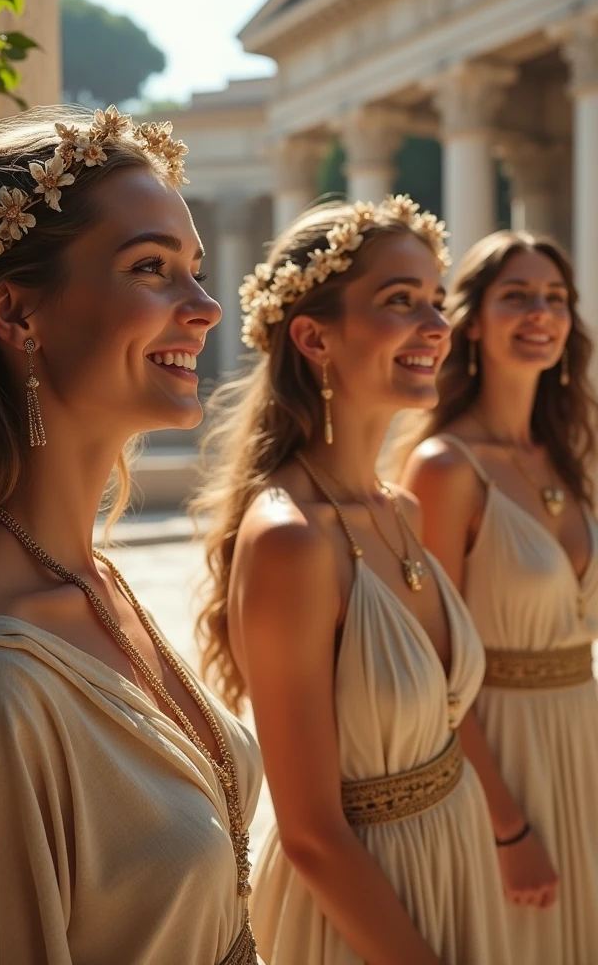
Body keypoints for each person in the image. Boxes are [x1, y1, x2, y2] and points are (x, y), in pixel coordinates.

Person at [0, 106, 262, 965]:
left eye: (195, 270)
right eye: (153, 268)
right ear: (16, 314)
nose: (208, 307)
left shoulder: (88, 576)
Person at [191, 196, 511, 965]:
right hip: (362, 919)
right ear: (313, 337)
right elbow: (309, 835)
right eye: (401, 302)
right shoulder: (290, 541)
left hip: (458, 867)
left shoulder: (400, 508)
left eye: (436, 301)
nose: (437, 326)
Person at [401, 229, 598, 963]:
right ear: (472, 320)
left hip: (582, 737)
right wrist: (506, 826)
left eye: (555, 298)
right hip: (504, 758)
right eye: (516, 296)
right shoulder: (445, 467)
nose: (540, 312)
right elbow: (435, 669)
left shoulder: (573, 453)